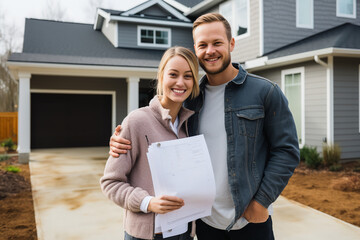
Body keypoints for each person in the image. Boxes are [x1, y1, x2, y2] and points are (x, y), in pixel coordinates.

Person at [109, 13, 300, 240]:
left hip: (249, 220)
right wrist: (119, 141)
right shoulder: (190, 99)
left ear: (231, 43)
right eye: (203, 45)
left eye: (217, 42)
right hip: (204, 222)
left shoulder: (265, 92)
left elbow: (286, 151)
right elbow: (158, 123)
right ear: (195, 50)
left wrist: (261, 202)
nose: (210, 51)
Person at [100, 46, 200, 240]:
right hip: (146, 235)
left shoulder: (192, 125)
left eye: (188, 76)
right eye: (173, 74)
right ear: (161, 76)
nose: (180, 82)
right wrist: (147, 202)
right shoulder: (137, 121)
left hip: (184, 233)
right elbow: (110, 182)